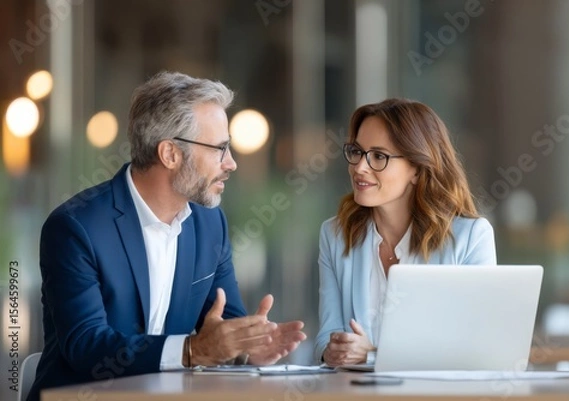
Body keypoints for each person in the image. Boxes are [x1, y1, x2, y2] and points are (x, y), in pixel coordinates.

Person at [29, 71, 306, 401]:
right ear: (170, 154)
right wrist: (191, 351)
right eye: (219, 149)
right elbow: (87, 346)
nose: (231, 163)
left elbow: (225, 325)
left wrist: (247, 347)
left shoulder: (209, 223)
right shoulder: (76, 227)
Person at [314, 98, 496, 366]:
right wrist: (332, 351)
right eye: (357, 152)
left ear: (416, 169)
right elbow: (326, 337)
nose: (359, 167)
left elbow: (477, 350)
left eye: (378, 156)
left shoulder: (470, 238)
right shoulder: (335, 235)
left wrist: (373, 355)